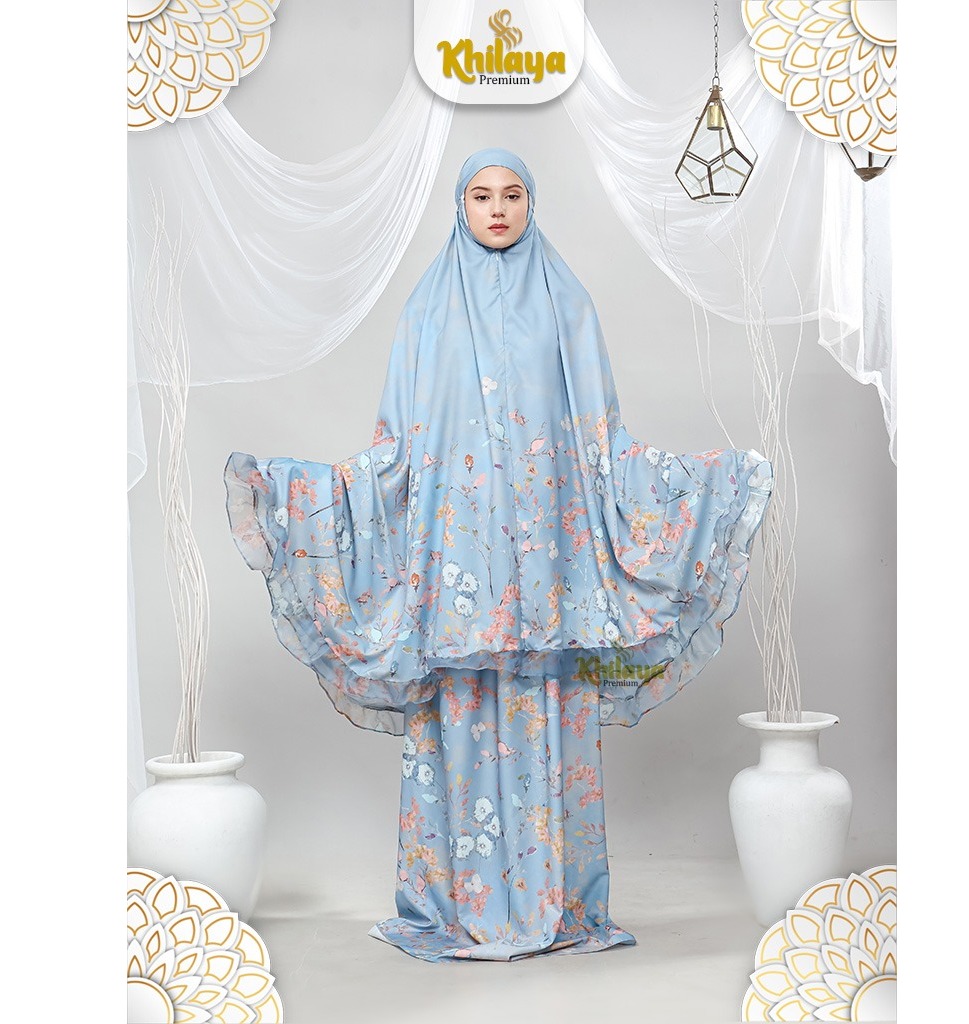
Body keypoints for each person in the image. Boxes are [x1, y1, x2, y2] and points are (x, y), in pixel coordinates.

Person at [224, 148, 773, 962]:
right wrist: (297, 493)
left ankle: (558, 905)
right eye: (481, 196)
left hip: (552, 565)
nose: (497, 209)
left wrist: (711, 487)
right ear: (460, 206)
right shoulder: (427, 310)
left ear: (530, 204)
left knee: (552, 714)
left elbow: (601, 443)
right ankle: (458, 905)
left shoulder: (566, 302)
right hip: (457, 565)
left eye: (512, 195)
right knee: (459, 718)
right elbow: (398, 452)